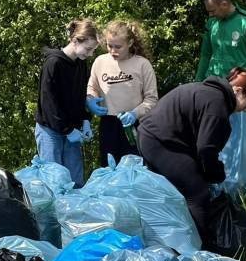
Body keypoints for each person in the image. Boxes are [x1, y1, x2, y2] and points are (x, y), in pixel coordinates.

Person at [136, 68, 246, 251]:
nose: (245, 109)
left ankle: (172, 244)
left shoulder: (212, 93)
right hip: (160, 141)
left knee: (176, 192)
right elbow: (206, 149)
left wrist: (210, 173)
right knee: (198, 194)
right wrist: (216, 174)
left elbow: (200, 146)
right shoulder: (218, 105)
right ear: (237, 90)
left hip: (152, 137)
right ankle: (202, 251)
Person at [194, 0, 246, 195]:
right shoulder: (212, 24)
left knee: (234, 141)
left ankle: (236, 188)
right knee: (210, 136)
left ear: (224, 4)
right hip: (212, 88)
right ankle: (211, 184)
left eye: (212, 10)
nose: (210, 15)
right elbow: (205, 54)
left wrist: (243, 78)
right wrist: (198, 83)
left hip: (237, 94)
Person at [35, 18, 100, 187]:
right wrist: (67, 130)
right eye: (88, 49)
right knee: (53, 183)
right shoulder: (53, 63)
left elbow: (80, 95)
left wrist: (85, 119)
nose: (90, 54)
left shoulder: (80, 63)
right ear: (75, 40)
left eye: (93, 50)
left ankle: (75, 214)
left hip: (72, 130)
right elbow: (49, 103)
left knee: (75, 182)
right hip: (51, 130)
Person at [86, 19, 158, 165]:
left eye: (118, 47)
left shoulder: (142, 64)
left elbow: (152, 99)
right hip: (108, 124)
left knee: (134, 171)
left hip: (134, 125)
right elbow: (91, 87)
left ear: (130, 43)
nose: (113, 51)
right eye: (109, 45)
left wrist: (134, 114)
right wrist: (90, 99)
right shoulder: (100, 61)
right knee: (109, 169)